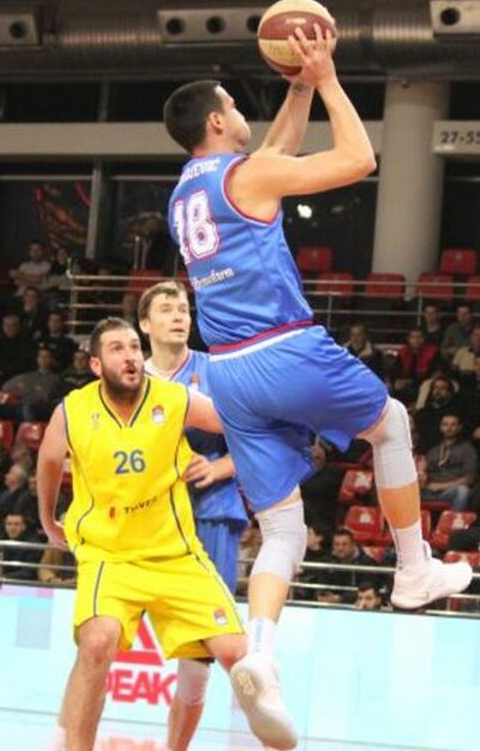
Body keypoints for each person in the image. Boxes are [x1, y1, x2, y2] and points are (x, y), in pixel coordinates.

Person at [161, 25, 470, 736]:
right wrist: (327, 77)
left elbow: (273, 153)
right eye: (233, 103)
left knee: (282, 528)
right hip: (284, 348)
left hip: (228, 369)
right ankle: (413, 567)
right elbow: (360, 158)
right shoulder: (247, 176)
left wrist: (297, 87)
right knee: (391, 423)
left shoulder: (186, 192)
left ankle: (261, 655)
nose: (242, 111)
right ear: (217, 121)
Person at [36, 318, 290, 751]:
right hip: (110, 556)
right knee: (96, 644)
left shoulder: (174, 398)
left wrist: (222, 466)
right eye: (117, 349)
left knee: (238, 655)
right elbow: (47, 459)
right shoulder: (73, 410)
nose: (130, 357)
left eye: (135, 347)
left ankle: (270, 724)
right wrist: (47, 519)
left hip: (176, 555)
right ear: (96, 364)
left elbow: (241, 426)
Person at [138, 281, 252, 751]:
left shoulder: (216, 371)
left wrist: (221, 466)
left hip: (208, 512)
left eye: (184, 309)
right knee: (100, 637)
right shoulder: (129, 379)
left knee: (205, 649)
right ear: (145, 323)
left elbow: (262, 437)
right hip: (140, 523)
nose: (178, 316)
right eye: (167, 309)